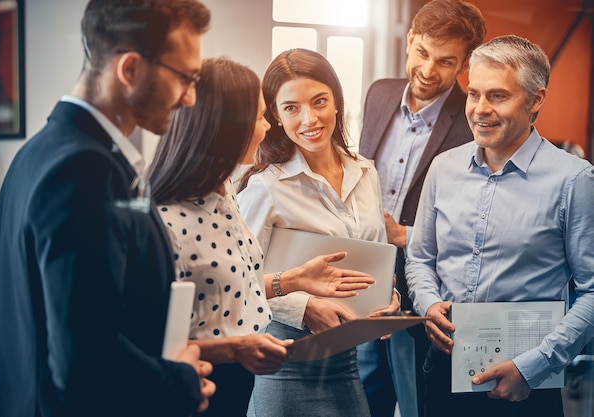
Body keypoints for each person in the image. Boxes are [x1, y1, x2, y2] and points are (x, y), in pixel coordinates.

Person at [0, 1, 216, 416]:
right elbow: (86, 363)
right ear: (131, 69)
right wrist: (181, 381)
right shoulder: (82, 169)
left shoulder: (41, 151)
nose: (190, 97)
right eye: (185, 78)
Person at [147, 56, 377, 417]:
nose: (269, 126)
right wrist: (232, 351)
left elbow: (233, 286)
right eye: (260, 116)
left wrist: (294, 279)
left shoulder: (222, 194)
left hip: (243, 380)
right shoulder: (165, 219)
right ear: (225, 127)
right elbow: (147, 337)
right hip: (201, 386)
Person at [405, 34, 594, 417]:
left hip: (527, 383)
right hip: (443, 367)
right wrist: (429, 304)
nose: (479, 109)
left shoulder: (574, 180)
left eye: (498, 96)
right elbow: (419, 258)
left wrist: (533, 367)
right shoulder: (443, 168)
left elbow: (592, 291)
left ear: (535, 99)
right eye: (474, 94)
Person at [237, 48, 400, 417]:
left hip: (348, 365)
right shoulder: (266, 187)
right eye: (291, 107)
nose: (309, 118)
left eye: (319, 101)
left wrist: (384, 300)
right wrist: (305, 306)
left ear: (337, 102)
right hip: (285, 366)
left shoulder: (365, 171)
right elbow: (239, 283)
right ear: (275, 116)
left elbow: (375, 254)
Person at [357, 1, 486, 416]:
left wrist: (404, 235)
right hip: (363, 278)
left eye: (446, 61)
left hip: (424, 291)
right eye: (423, 53)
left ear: (464, 63)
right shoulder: (379, 94)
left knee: (416, 403)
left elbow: (478, 225)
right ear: (410, 41)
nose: (429, 70)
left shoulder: (474, 125)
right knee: (364, 395)